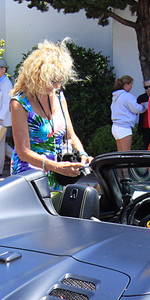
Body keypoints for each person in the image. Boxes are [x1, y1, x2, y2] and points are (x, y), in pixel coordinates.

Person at [10, 40, 91, 198]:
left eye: (59, 81)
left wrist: (83, 155)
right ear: (38, 76)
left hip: (59, 173)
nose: (56, 86)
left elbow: (70, 135)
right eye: (52, 81)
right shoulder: (20, 102)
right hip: (30, 174)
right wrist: (55, 167)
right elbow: (23, 151)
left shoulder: (59, 97)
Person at [110, 75, 146, 151]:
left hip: (115, 126)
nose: (131, 87)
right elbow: (136, 109)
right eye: (131, 85)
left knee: (120, 153)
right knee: (126, 153)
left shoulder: (115, 97)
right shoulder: (127, 96)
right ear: (126, 85)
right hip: (124, 127)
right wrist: (144, 106)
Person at [136, 79, 150, 149]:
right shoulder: (141, 98)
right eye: (146, 87)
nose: (148, 89)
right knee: (146, 146)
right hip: (145, 127)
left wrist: (145, 104)